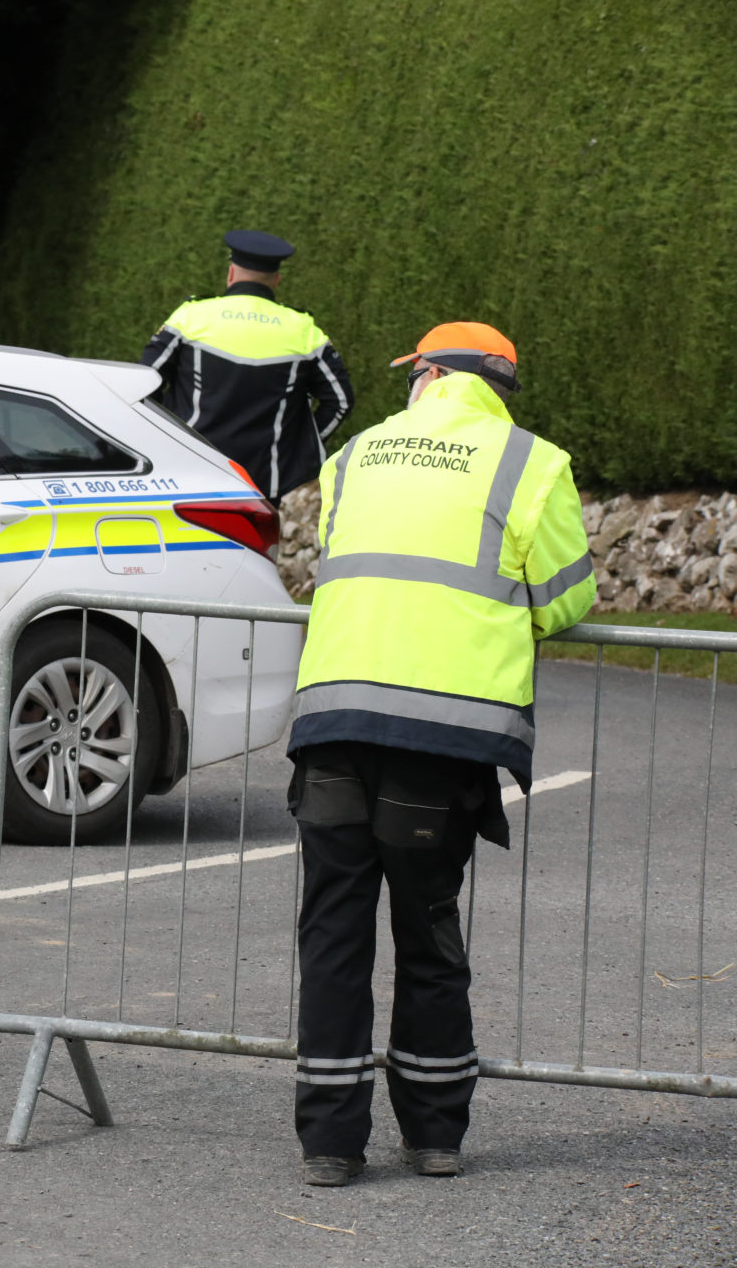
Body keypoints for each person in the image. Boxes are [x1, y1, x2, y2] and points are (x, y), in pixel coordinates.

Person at [286, 322, 595, 1186]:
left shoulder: (353, 457)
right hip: (442, 739)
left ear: (427, 374)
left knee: (333, 935)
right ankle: (434, 1135)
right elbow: (568, 599)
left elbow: (336, 565)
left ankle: (330, 1147)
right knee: (426, 928)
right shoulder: (532, 462)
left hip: (334, 723)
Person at [140, 230, 354, 501]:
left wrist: (166, 438)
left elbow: (144, 385)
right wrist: (298, 445)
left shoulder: (191, 317)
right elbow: (340, 402)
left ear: (231, 273)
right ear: (276, 280)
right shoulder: (303, 330)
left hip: (189, 471)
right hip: (265, 485)